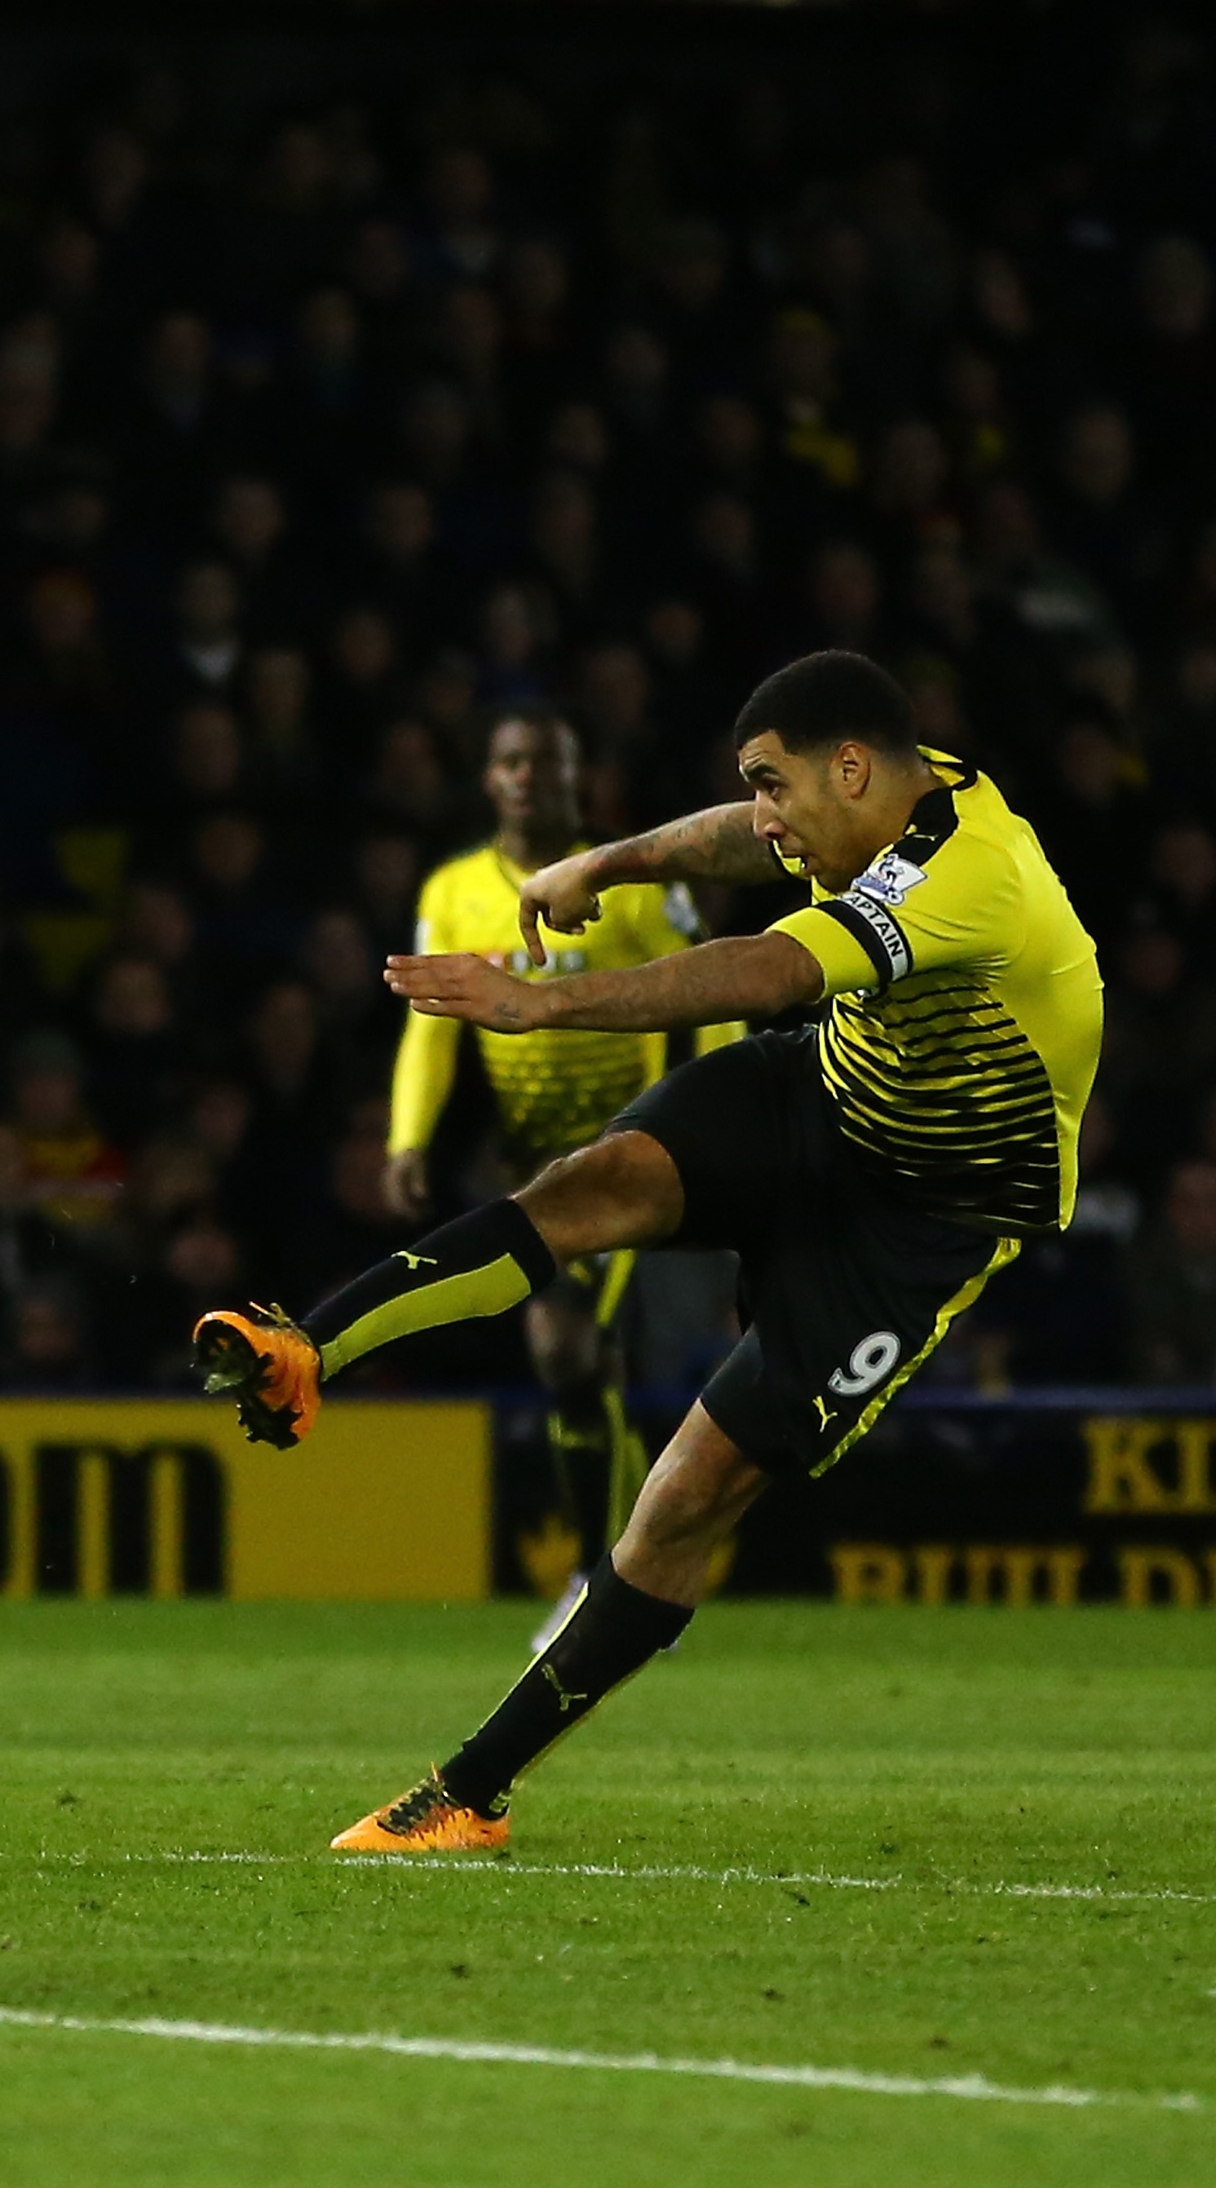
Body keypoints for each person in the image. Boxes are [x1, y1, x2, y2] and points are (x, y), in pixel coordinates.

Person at [197, 648, 1102, 1853]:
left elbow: (770, 968)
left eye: (779, 787)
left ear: (848, 768)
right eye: (759, 788)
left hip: (929, 1210)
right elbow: (743, 839)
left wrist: (544, 1002)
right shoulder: (901, 787)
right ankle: (308, 1344)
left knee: (685, 1499)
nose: (772, 820)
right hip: (826, 1098)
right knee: (591, 1182)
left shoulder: (973, 873)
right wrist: (610, 858)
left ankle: (467, 1795)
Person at [387, 712, 726, 1584]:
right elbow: (432, 1029)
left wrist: (720, 1111)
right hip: (524, 1157)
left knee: (564, 1344)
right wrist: (408, 1137)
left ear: (578, 778)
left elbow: (716, 991)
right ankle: (617, 1573)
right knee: (579, 1364)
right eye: (510, 761)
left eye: (545, 761)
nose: (527, 776)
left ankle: (597, 1577)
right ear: (488, 779)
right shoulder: (455, 890)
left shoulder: (633, 880)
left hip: (626, 1147)